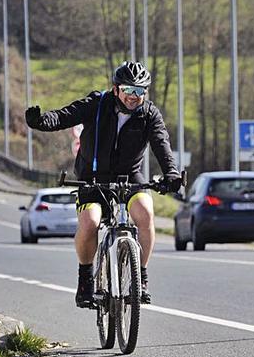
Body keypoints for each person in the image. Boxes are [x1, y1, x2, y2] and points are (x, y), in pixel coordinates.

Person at [25, 61, 182, 308]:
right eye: (129, 90)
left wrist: (171, 174)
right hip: (92, 178)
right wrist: (41, 122)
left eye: (140, 91)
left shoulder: (149, 114)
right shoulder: (96, 104)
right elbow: (65, 116)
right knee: (90, 222)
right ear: (116, 88)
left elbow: (162, 144)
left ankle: (140, 278)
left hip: (129, 177)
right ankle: (86, 280)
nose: (134, 97)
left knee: (146, 214)